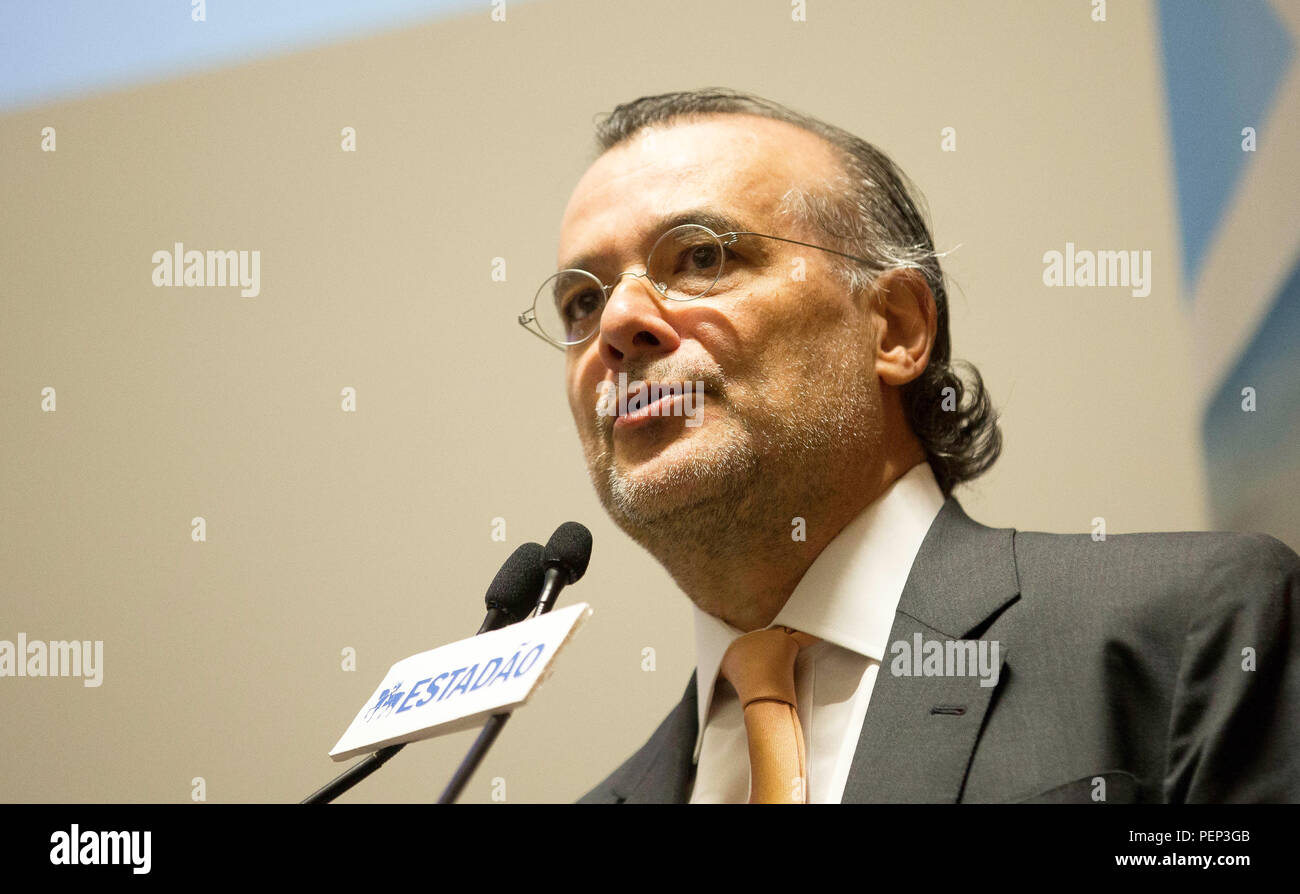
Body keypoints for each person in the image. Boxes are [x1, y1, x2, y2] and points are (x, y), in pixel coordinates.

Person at [516, 88, 1300, 803]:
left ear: (894, 327)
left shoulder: (1196, 630)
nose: (617, 324)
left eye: (702, 257)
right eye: (583, 301)